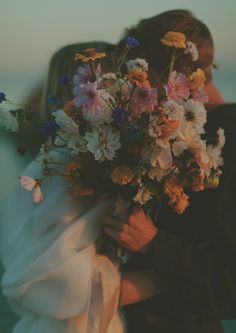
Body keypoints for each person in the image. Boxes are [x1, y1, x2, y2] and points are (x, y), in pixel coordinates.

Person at [103, 11, 236, 333]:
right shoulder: (171, 132)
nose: (137, 95)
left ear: (183, 75)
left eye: (143, 81)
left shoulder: (229, 134)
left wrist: (153, 244)